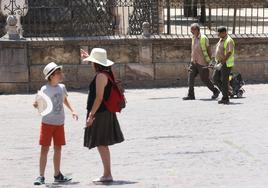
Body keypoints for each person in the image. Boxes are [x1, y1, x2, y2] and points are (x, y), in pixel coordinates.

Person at [33, 62, 78, 185]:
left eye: (60, 72)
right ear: (51, 76)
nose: (60, 74)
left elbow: (65, 100)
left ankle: (57, 174)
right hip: (47, 123)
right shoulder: (44, 89)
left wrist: (73, 110)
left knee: (58, 148)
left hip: (59, 124)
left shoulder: (61, 87)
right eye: (58, 73)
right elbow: (37, 102)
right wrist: (36, 104)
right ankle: (41, 176)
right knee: (44, 149)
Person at [83, 48, 124, 183]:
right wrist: (90, 57)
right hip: (104, 112)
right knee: (102, 144)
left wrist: (91, 115)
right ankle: (107, 173)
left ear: (96, 63)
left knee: (101, 144)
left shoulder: (101, 76)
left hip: (100, 113)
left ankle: (107, 174)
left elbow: (99, 98)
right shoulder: (107, 72)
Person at [183, 23, 220, 100]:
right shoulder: (193, 37)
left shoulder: (204, 38)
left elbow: (208, 50)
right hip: (193, 62)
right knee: (191, 78)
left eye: (192, 30)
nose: (191, 32)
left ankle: (215, 91)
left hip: (202, 62)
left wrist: (211, 61)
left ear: (197, 30)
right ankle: (191, 95)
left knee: (205, 79)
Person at [212, 26, 235, 104]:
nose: (218, 35)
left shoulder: (229, 40)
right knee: (215, 78)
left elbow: (229, 53)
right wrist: (214, 61)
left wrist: (221, 63)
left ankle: (225, 98)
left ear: (224, 33)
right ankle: (227, 93)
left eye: (219, 33)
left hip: (225, 64)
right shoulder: (221, 39)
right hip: (219, 62)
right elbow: (217, 50)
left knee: (224, 81)